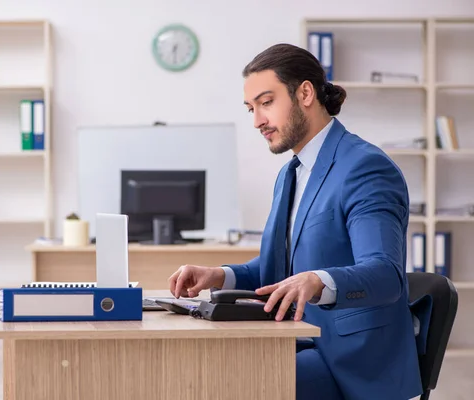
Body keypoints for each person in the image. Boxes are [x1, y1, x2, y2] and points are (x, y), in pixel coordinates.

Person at [168, 43, 422, 400]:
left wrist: (318, 280)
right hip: (297, 340)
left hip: (348, 361)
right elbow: (282, 271)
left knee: (229, 384)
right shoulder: (292, 173)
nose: (257, 120)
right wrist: (220, 275)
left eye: (266, 102)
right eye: (251, 108)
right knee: (202, 369)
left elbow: (385, 274)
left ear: (305, 93)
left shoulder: (365, 167)